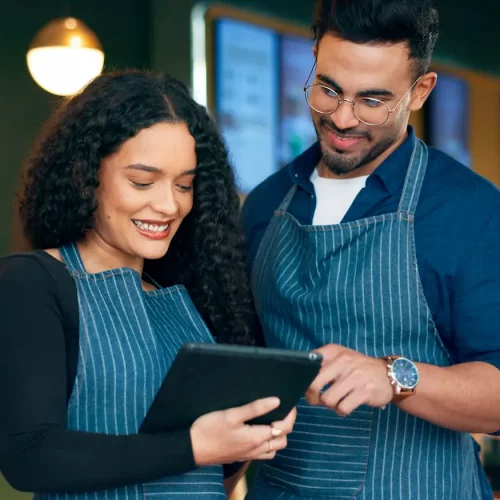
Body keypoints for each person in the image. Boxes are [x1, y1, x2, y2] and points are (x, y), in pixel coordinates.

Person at [241, 0, 500, 498]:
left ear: (420, 91)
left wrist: (396, 377)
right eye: (328, 88)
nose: (342, 119)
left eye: (372, 101)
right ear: (314, 57)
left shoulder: (471, 212)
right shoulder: (265, 204)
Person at [0, 70, 296, 499]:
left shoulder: (183, 297)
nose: (168, 204)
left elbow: (215, 467)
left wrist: (250, 431)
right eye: (142, 181)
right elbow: (30, 455)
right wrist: (194, 446)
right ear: (87, 176)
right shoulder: (32, 283)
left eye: (184, 185)